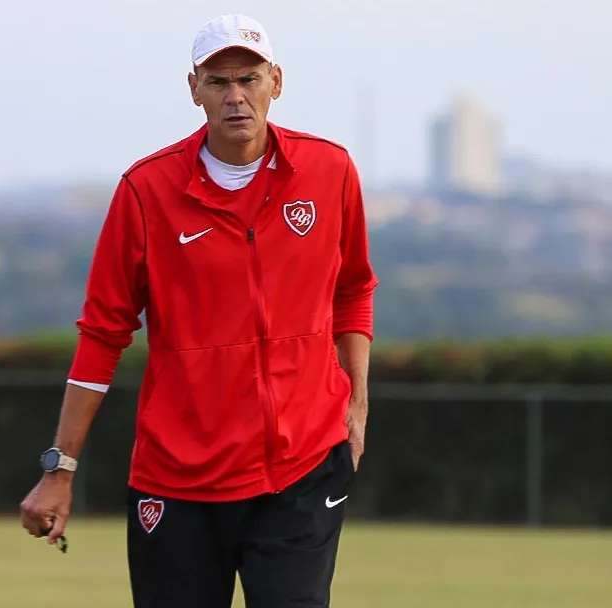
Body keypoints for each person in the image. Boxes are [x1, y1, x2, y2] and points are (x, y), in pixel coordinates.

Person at [20, 13, 379, 607]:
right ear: (194, 90)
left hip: (302, 466)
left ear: (276, 82)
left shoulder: (330, 170)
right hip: (179, 479)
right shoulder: (146, 190)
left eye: (249, 78)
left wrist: (357, 402)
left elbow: (354, 288)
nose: (236, 96)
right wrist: (60, 468)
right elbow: (102, 333)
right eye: (218, 81)